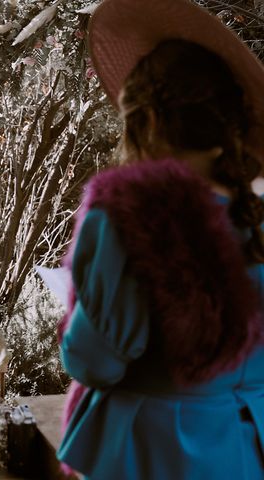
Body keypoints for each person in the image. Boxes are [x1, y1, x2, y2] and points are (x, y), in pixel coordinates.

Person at [56, 0, 264, 478]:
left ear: (143, 124)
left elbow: (95, 362)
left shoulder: (128, 212)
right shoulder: (255, 210)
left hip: (160, 450)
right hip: (248, 446)